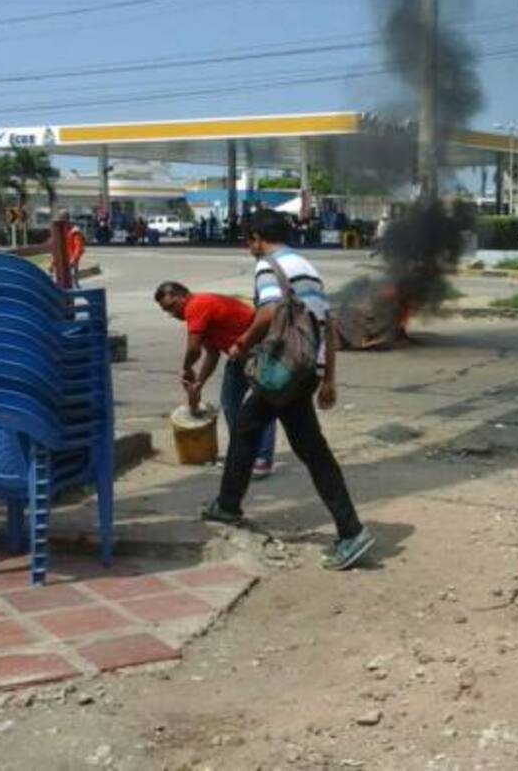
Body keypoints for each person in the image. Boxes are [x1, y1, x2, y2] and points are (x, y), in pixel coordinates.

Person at [201, 209, 374, 570]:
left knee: (303, 447)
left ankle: (351, 531)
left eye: (248, 240)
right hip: (306, 368)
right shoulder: (307, 267)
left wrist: (240, 345)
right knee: (255, 429)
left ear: (257, 239)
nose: (248, 248)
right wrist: (328, 378)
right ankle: (228, 504)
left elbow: (268, 312)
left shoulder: (269, 266)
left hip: (283, 370)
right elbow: (326, 324)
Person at [154, 283, 277, 478]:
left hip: (258, 350)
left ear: (182, 296)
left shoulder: (197, 305)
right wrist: (198, 383)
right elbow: (212, 354)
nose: (172, 313)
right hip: (239, 355)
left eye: (171, 306)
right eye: (166, 310)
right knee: (229, 403)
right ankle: (243, 453)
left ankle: (262, 458)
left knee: (262, 405)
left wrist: (186, 368)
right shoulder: (199, 310)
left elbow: (194, 350)